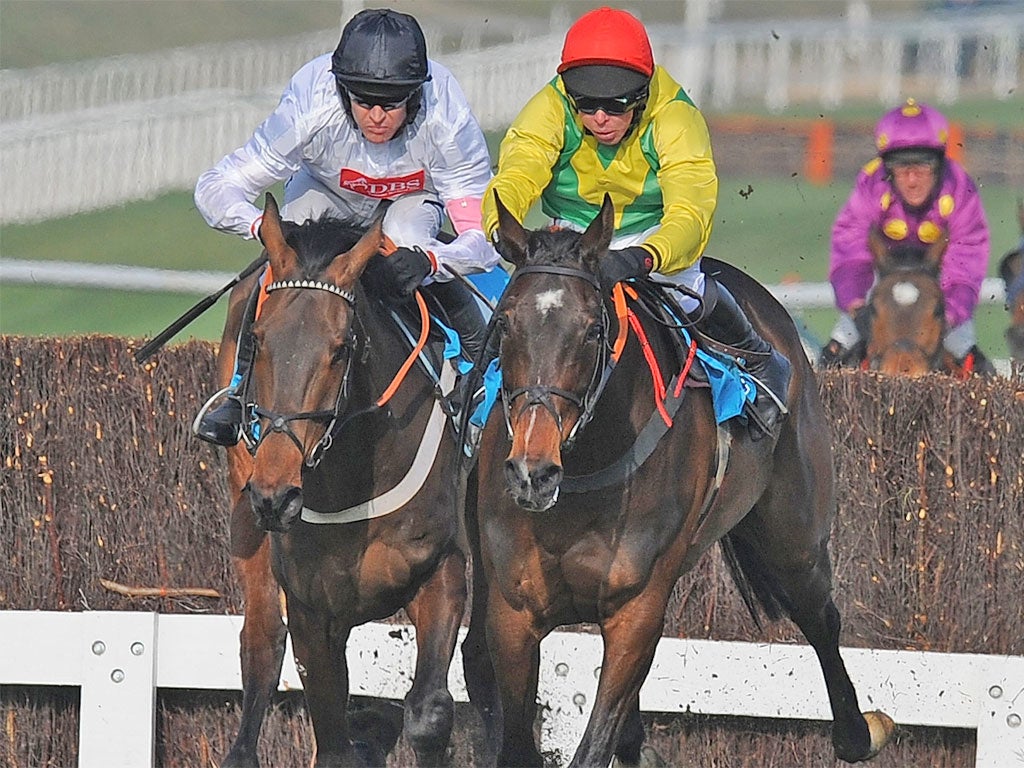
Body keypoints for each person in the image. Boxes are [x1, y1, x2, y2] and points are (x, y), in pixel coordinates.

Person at [193, 8, 502, 446]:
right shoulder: (309, 104)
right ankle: (239, 393)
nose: (377, 115)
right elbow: (215, 187)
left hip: (409, 204)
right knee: (288, 258)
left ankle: (478, 376)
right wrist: (262, 227)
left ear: (416, 94)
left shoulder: (446, 117)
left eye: (392, 103)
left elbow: (485, 238)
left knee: (411, 239)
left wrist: (433, 259)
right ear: (340, 90)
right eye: (363, 100)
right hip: (324, 191)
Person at [481, 6, 791, 439]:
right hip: (567, 236)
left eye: (615, 104)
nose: (600, 118)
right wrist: (502, 229)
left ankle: (760, 361)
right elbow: (516, 174)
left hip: (651, 233)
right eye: (587, 104)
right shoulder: (551, 106)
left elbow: (691, 215)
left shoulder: (676, 117)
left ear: (642, 94)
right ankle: (475, 397)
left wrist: (642, 258)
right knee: (515, 311)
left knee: (690, 295)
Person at [822, 97, 994, 373]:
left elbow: (967, 258)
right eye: (902, 169)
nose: (912, 180)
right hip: (880, 282)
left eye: (922, 168)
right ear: (888, 170)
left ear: (938, 165)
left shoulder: (960, 187)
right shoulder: (871, 182)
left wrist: (950, 314)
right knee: (835, 353)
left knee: (973, 363)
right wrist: (856, 305)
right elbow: (850, 247)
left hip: (938, 288)